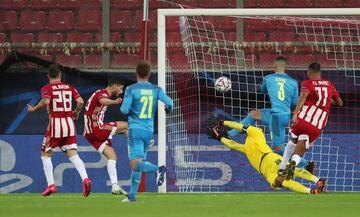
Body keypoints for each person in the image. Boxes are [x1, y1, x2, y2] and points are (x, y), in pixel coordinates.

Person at [228, 56, 313, 172]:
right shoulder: (293, 82)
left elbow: (262, 91)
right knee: (254, 114)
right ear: (285, 67)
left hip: (276, 117)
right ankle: (229, 134)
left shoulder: (268, 78)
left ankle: (306, 163)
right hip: (285, 116)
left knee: (279, 149)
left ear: (274, 65)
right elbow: (294, 103)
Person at [208, 118, 326, 194]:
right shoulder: (247, 145)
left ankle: (313, 186)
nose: (243, 128)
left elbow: (238, 129)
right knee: (287, 177)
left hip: (269, 161)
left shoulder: (255, 132)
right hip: (269, 166)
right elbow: (233, 143)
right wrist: (221, 135)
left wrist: (223, 124)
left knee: (287, 176)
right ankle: (314, 186)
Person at [27, 64, 91, 197]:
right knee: (73, 154)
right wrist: (76, 112)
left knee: (45, 153)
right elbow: (80, 101)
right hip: (69, 123)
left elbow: (46, 101)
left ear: (48, 76)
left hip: (55, 124)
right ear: (60, 75)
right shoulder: (69, 87)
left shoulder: (47, 88)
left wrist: (34, 109)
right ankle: (85, 178)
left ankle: (51, 185)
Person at [120, 60, 173, 202]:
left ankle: (158, 169)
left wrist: (130, 107)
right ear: (149, 74)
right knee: (139, 162)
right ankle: (131, 197)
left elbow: (124, 110)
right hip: (148, 130)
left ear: (136, 73)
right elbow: (169, 103)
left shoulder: (131, 89)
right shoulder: (156, 89)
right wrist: (167, 109)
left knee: (135, 164)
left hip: (135, 129)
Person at [279, 62, 343, 179]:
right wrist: (327, 100)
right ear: (320, 73)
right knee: (301, 147)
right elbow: (340, 103)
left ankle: (282, 167)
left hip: (302, 119)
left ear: (309, 72)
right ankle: (294, 162)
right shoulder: (329, 85)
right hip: (316, 124)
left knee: (294, 140)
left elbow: (303, 95)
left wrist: (295, 114)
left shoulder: (307, 83)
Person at [84, 77, 128, 195]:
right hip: (97, 129)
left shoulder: (100, 93)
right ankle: (142, 144)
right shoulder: (102, 93)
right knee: (126, 125)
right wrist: (114, 102)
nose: (121, 91)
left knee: (112, 156)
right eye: (120, 88)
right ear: (114, 86)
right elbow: (102, 100)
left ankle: (115, 186)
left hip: (89, 134)